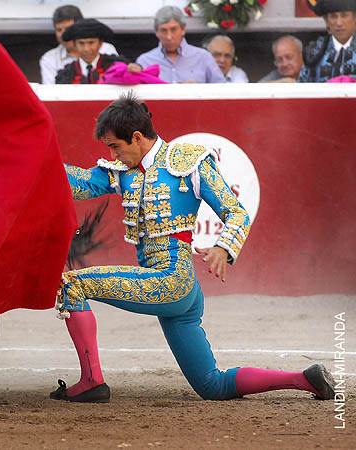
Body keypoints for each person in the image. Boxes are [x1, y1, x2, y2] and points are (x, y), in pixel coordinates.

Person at [49, 92, 335, 403]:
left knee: (71, 284)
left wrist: (224, 247)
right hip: (178, 290)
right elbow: (80, 183)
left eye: (116, 147)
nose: (114, 155)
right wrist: (39, 161)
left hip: (172, 280)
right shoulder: (124, 172)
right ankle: (305, 379)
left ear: (136, 137)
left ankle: (92, 382)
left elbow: (235, 211)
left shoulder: (188, 161)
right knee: (213, 386)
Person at [129, 6, 225, 83]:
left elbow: (223, 93)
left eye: (173, 29)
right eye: (163, 30)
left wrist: (197, 92)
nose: (169, 37)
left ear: (183, 29)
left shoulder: (203, 57)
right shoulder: (144, 61)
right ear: (156, 32)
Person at [40, 5, 118, 84]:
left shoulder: (107, 49)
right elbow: (51, 92)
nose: (63, 35)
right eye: (59, 30)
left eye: (68, 29)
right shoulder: (49, 58)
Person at [55, 19, 129, 84]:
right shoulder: (66, 74)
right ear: (74, 44)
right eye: (81, 43)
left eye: (91, 43)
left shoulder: (115, 65)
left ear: (100, 43)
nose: (86, 49)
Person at [298, 0, 356, 82]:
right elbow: (303, 88)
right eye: (333, 16)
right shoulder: (314, 52)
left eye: (344, 15)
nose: (339, 23)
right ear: (326, 22)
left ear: (355, 19)